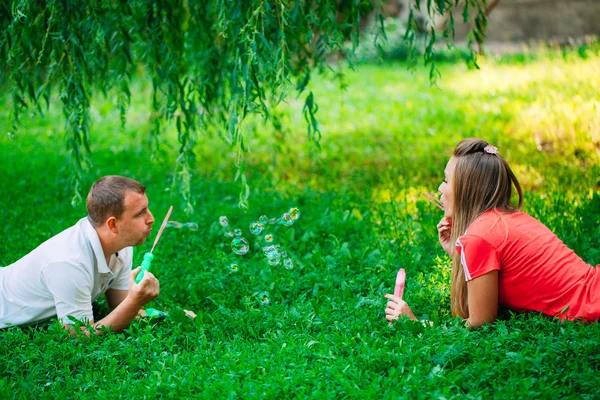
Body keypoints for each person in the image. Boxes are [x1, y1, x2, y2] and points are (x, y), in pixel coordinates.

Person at [385, 138, 600, 327]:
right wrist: (458, 254)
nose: (440, 189)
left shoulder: (479, 237)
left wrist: (417, 324)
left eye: (447, 180)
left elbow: (480, 322)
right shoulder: (506, 218)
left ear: (467, 191)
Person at [0, 175, 193, 333]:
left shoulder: (123, 245)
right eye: (140, 213)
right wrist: (134, 301)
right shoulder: (69, 262)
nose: (151, 218)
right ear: (112, 224)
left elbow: (119, 306)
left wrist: (170, 316)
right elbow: (78, 335)